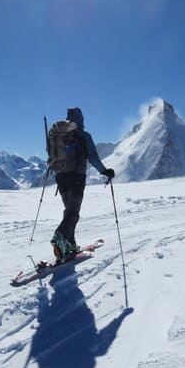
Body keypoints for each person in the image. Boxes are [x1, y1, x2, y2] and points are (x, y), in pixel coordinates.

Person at [51, 107, 115, 261]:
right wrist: (105, 171)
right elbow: (92, 157)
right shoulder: (83, 136)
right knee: (73, 213)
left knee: (69, 211)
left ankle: (70, 245)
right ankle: (60, 235)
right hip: (76, 178)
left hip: (61, 178)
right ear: (81, 119)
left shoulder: (60, 134)